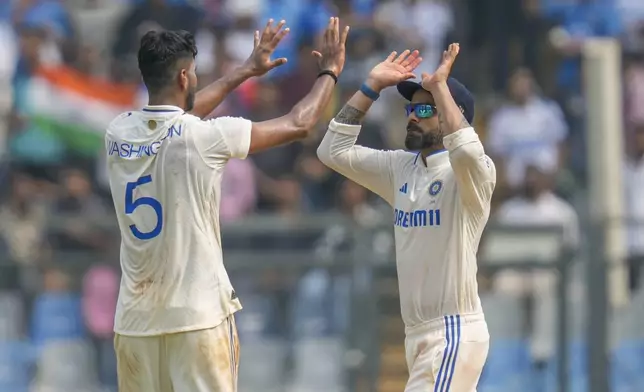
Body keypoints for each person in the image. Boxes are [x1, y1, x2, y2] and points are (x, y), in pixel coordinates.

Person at [105, 17, 349, 392]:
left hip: (135, 321)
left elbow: (179, 115)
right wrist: (330, 72)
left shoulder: (118, 131)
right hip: (196, 317)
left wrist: (244, 72)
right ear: (185, 77)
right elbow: (300, 123)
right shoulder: (203, 137)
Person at [317, 44, 495, 391]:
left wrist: (441, 85)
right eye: (410, 108)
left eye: (424, 108)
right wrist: (371, 87)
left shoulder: (473, 173)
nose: (413, 115)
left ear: (448, 113)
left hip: (453, 331)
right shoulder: (400, 167)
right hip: (416, 335)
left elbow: (469, 150)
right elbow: (331, 151)